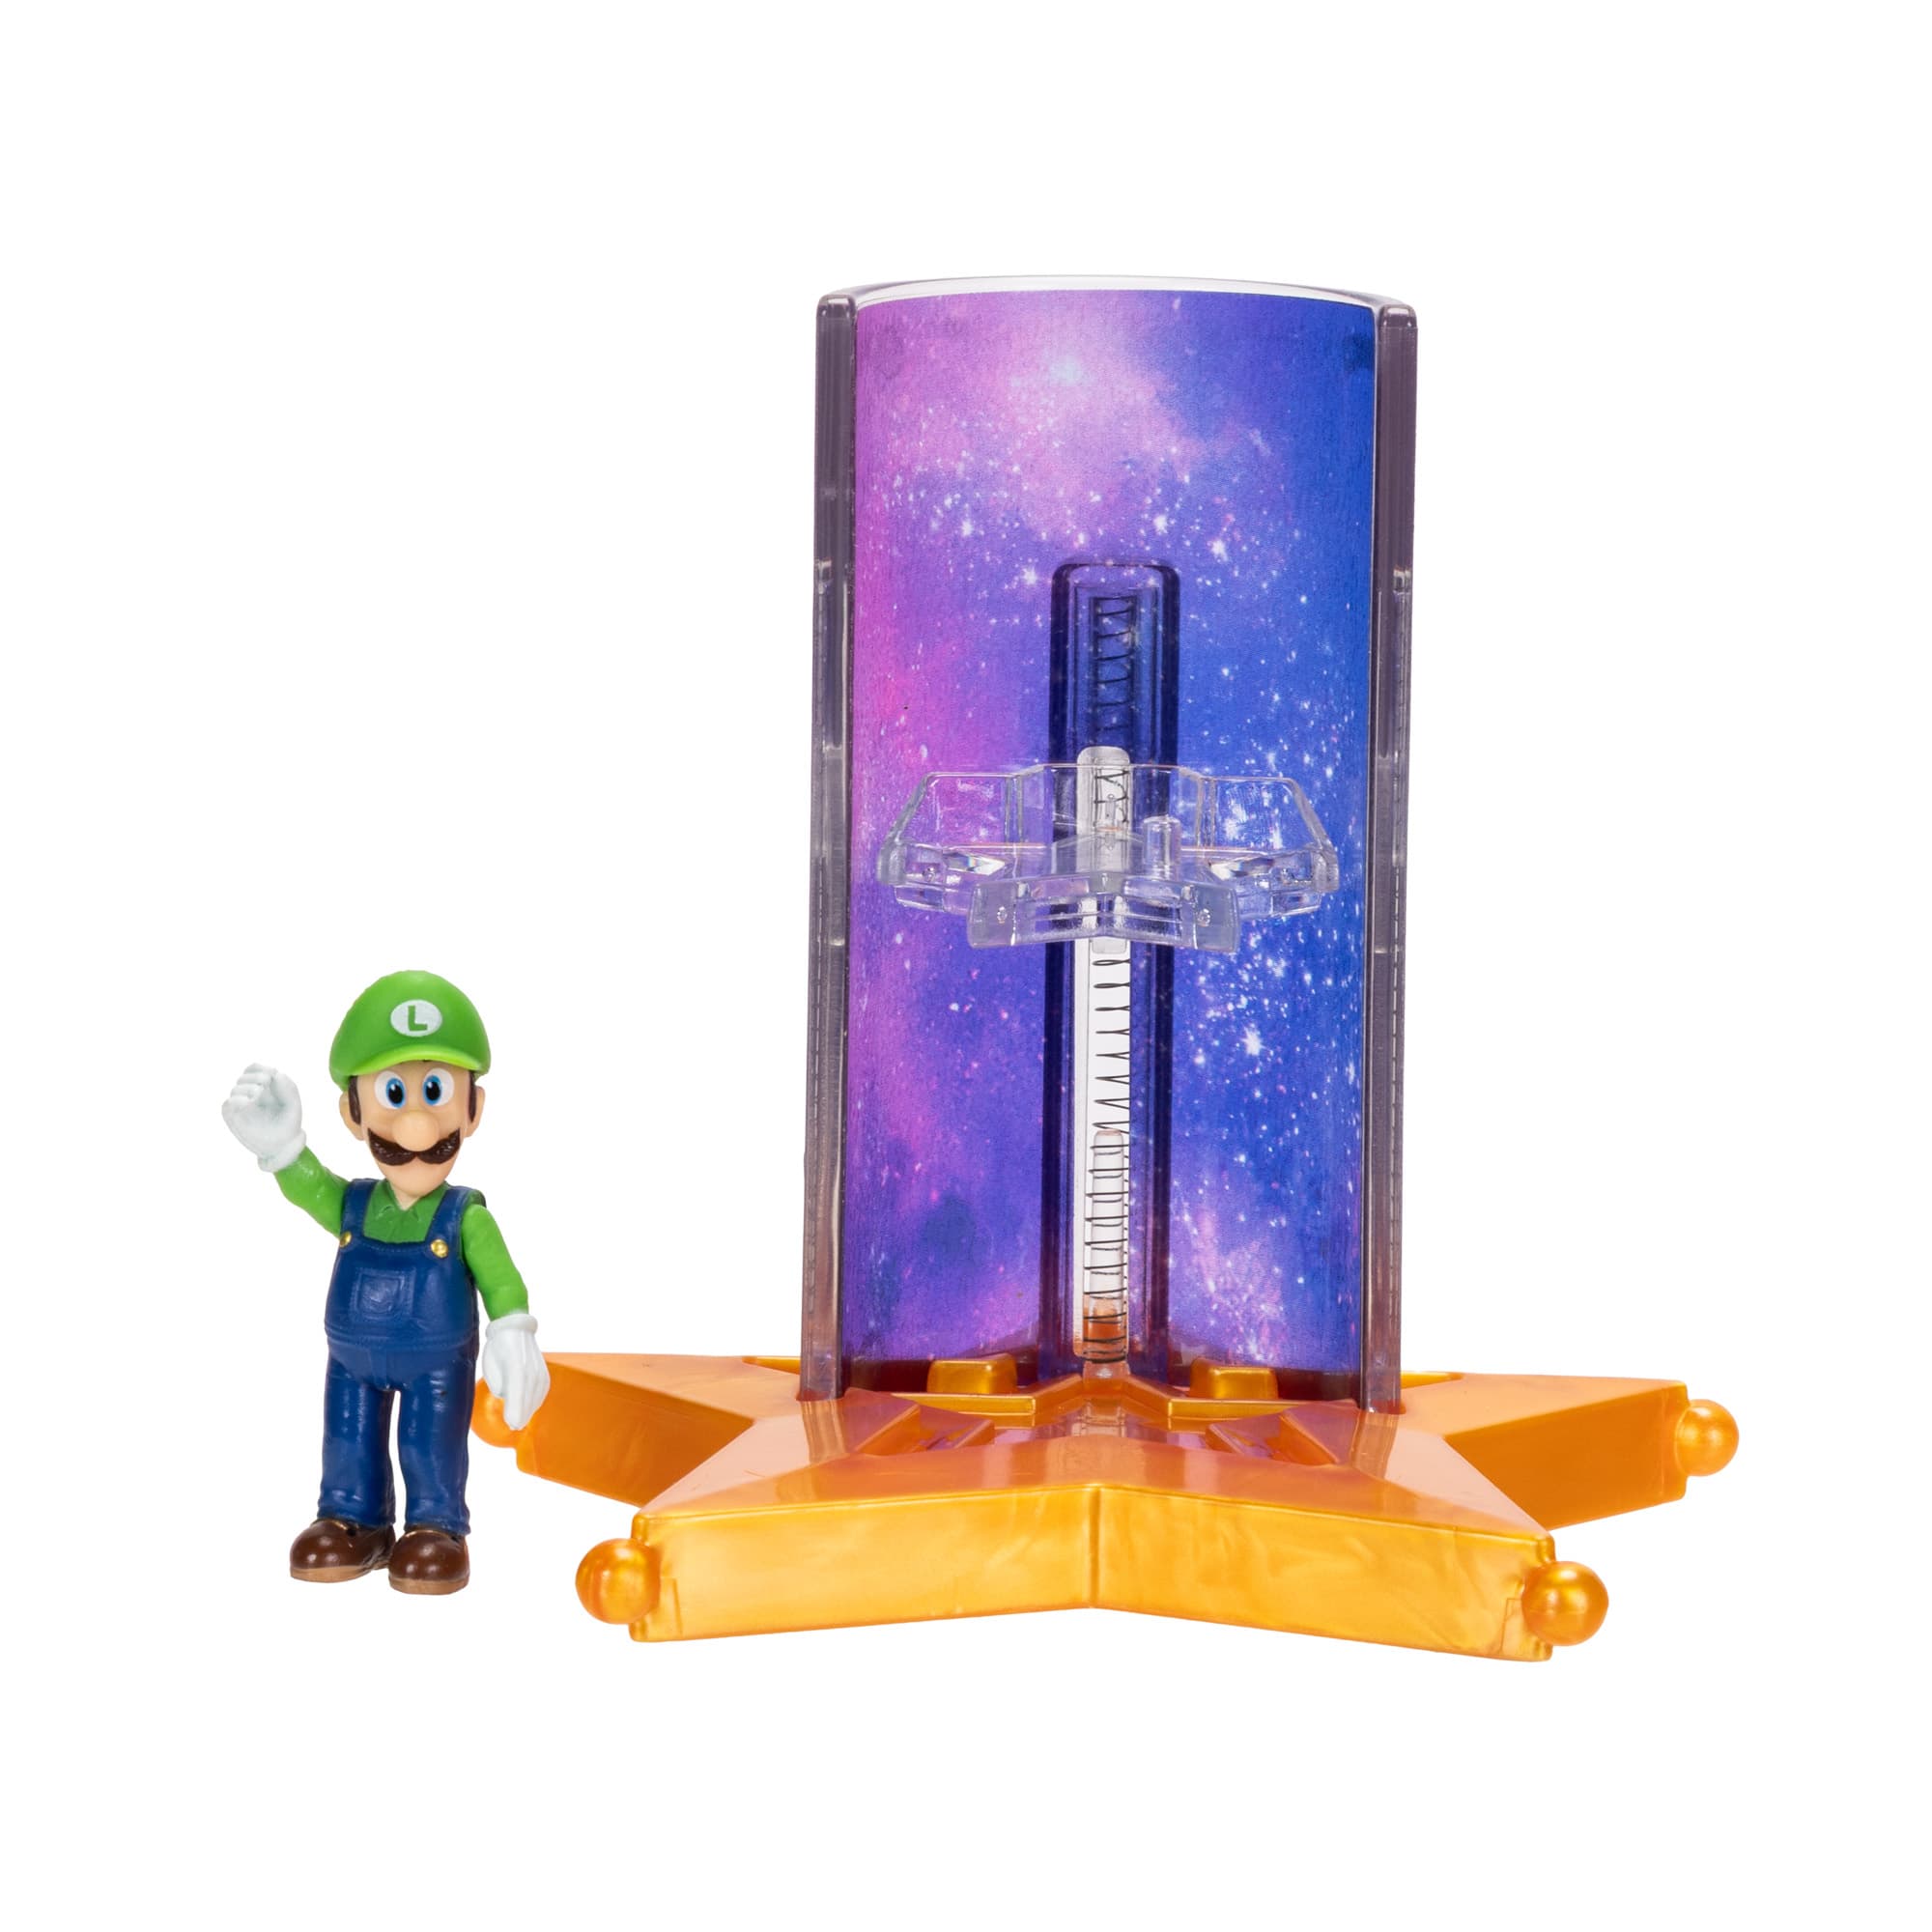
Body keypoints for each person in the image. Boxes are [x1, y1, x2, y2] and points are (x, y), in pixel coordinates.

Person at [222, 970, 550, 1595]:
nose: (417, 1127)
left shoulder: (464, 1217)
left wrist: (513, 1328)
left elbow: (501, 1279)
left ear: (473, 1109)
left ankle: (435, 1526)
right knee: (347, 1439)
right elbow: (311, 1188)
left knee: (430, 1446)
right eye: (394, 1094)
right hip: (351, 1360)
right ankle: (353, 1519)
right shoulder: (354, 1203)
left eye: (435, 1092)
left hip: (437, 1364)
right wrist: (283, 1150)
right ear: (354, 1112)